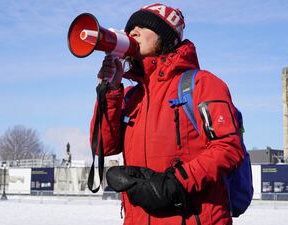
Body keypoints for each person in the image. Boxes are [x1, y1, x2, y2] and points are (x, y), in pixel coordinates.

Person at [90, 3, 244, 225]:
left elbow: (228, 147)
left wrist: (177, 183)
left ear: (166, 36)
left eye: (144, 26)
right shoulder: (132, 96)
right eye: (131, 28)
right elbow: (103, 146)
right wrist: (110, 92)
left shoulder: (202, 84)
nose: (133, 31)